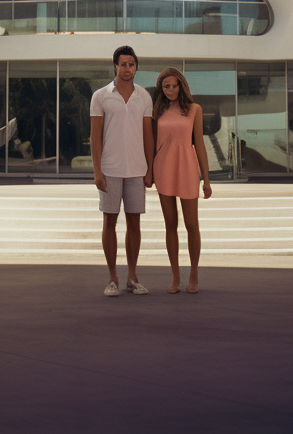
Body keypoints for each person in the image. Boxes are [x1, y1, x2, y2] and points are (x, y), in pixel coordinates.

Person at [90, 45, 154, 297]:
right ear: (115, 66)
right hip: (110, 168)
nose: (128, 68)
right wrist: (97, 171)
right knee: (109, 222)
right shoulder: (101, 96)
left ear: (136, 67)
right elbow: (95, 137)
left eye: (132, 64)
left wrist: (150, 169)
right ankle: (113, 278)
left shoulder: (144, 97)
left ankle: (133, 277)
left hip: (137, 170)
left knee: (135, 224)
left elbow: (148, 135)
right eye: (123, 64)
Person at [152, 67, 212, 293]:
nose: (170, 90)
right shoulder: (156, 111)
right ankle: (175, 276)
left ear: (181, 86)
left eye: (174, 85)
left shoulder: (195, 110)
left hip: (187, 167)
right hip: (163, 168)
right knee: (170, 224)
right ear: (161, 88)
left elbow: (200, 144)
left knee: (191, 224)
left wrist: (206, 179)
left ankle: (194, 273)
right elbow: (151, 143)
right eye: (166, 86)